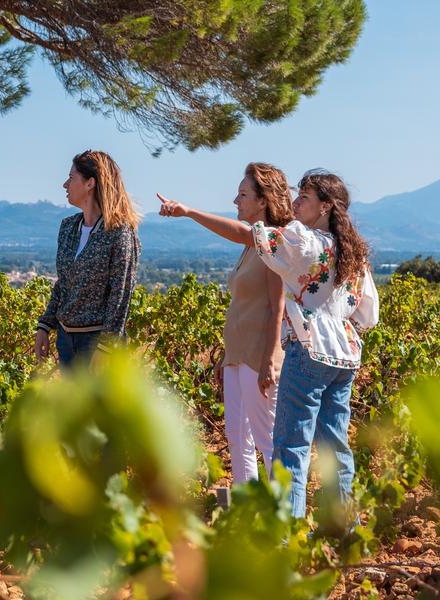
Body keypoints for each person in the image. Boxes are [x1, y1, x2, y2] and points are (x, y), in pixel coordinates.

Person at [158, 169, 379, 518]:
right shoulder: (354, 255)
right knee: (336, 449)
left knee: (289, 448)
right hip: (345, 355)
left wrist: (190, 212)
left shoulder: (304, 241)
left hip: (308, 349)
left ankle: (285, 537)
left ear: (325, 207)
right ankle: (344, 531)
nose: (295, 202)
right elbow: (367, 314)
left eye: (304, 198)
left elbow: (249, 235)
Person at [158, 163, 293, 483]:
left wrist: (189, 211)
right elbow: (244, 307)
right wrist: (225, 356)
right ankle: (247, 516)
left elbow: (278, 307)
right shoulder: (251, 248)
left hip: (259, 357)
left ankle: (282, 521)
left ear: (263, 201)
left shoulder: (272, 243)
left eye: (243, 194)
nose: (235, 201)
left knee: (267, 442)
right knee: (238, 439)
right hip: (238, 356)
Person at [35, 150, 141, 366]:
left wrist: (106, 347)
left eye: (71, 177)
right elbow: (64, 283)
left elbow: (120, 294)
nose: (65, 184)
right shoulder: (68, 227)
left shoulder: (120, 233)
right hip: (66, 340)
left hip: (97, 343)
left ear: (90, 183)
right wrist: (44, 325)